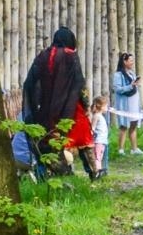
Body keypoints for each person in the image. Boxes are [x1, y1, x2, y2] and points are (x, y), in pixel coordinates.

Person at [22, 27, 99, 179]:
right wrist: (85, 105)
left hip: (44, 110)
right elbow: (79, 84)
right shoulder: (71, 56)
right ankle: (93, 172)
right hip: (69, 108)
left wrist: (35, 107)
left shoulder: (42, 55)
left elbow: (30, 83)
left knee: (47, 140)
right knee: (84, 136)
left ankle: (46, 174)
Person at [112, 52, 143, 155]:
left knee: (133, 124)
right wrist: (130, 86)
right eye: (130, 60)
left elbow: (133, 86)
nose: (132, 62)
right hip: (124, 103)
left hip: (133, 102)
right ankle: (121, 149)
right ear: (124, 62)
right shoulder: (118, 75)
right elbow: (118, 89)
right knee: (123, 126)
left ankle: (134, 149)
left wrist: (135, 84)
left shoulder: (131, 73)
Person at [89, 96, 109, 177]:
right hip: (98, 141)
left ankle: (99, 172)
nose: (107, 108)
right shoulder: (96, 116)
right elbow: (92, 129)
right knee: (97, 158)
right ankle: (97, 173)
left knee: (99, 157)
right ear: (100, 106)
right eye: (106, 106)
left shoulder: (101, 116)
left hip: (103, 141)